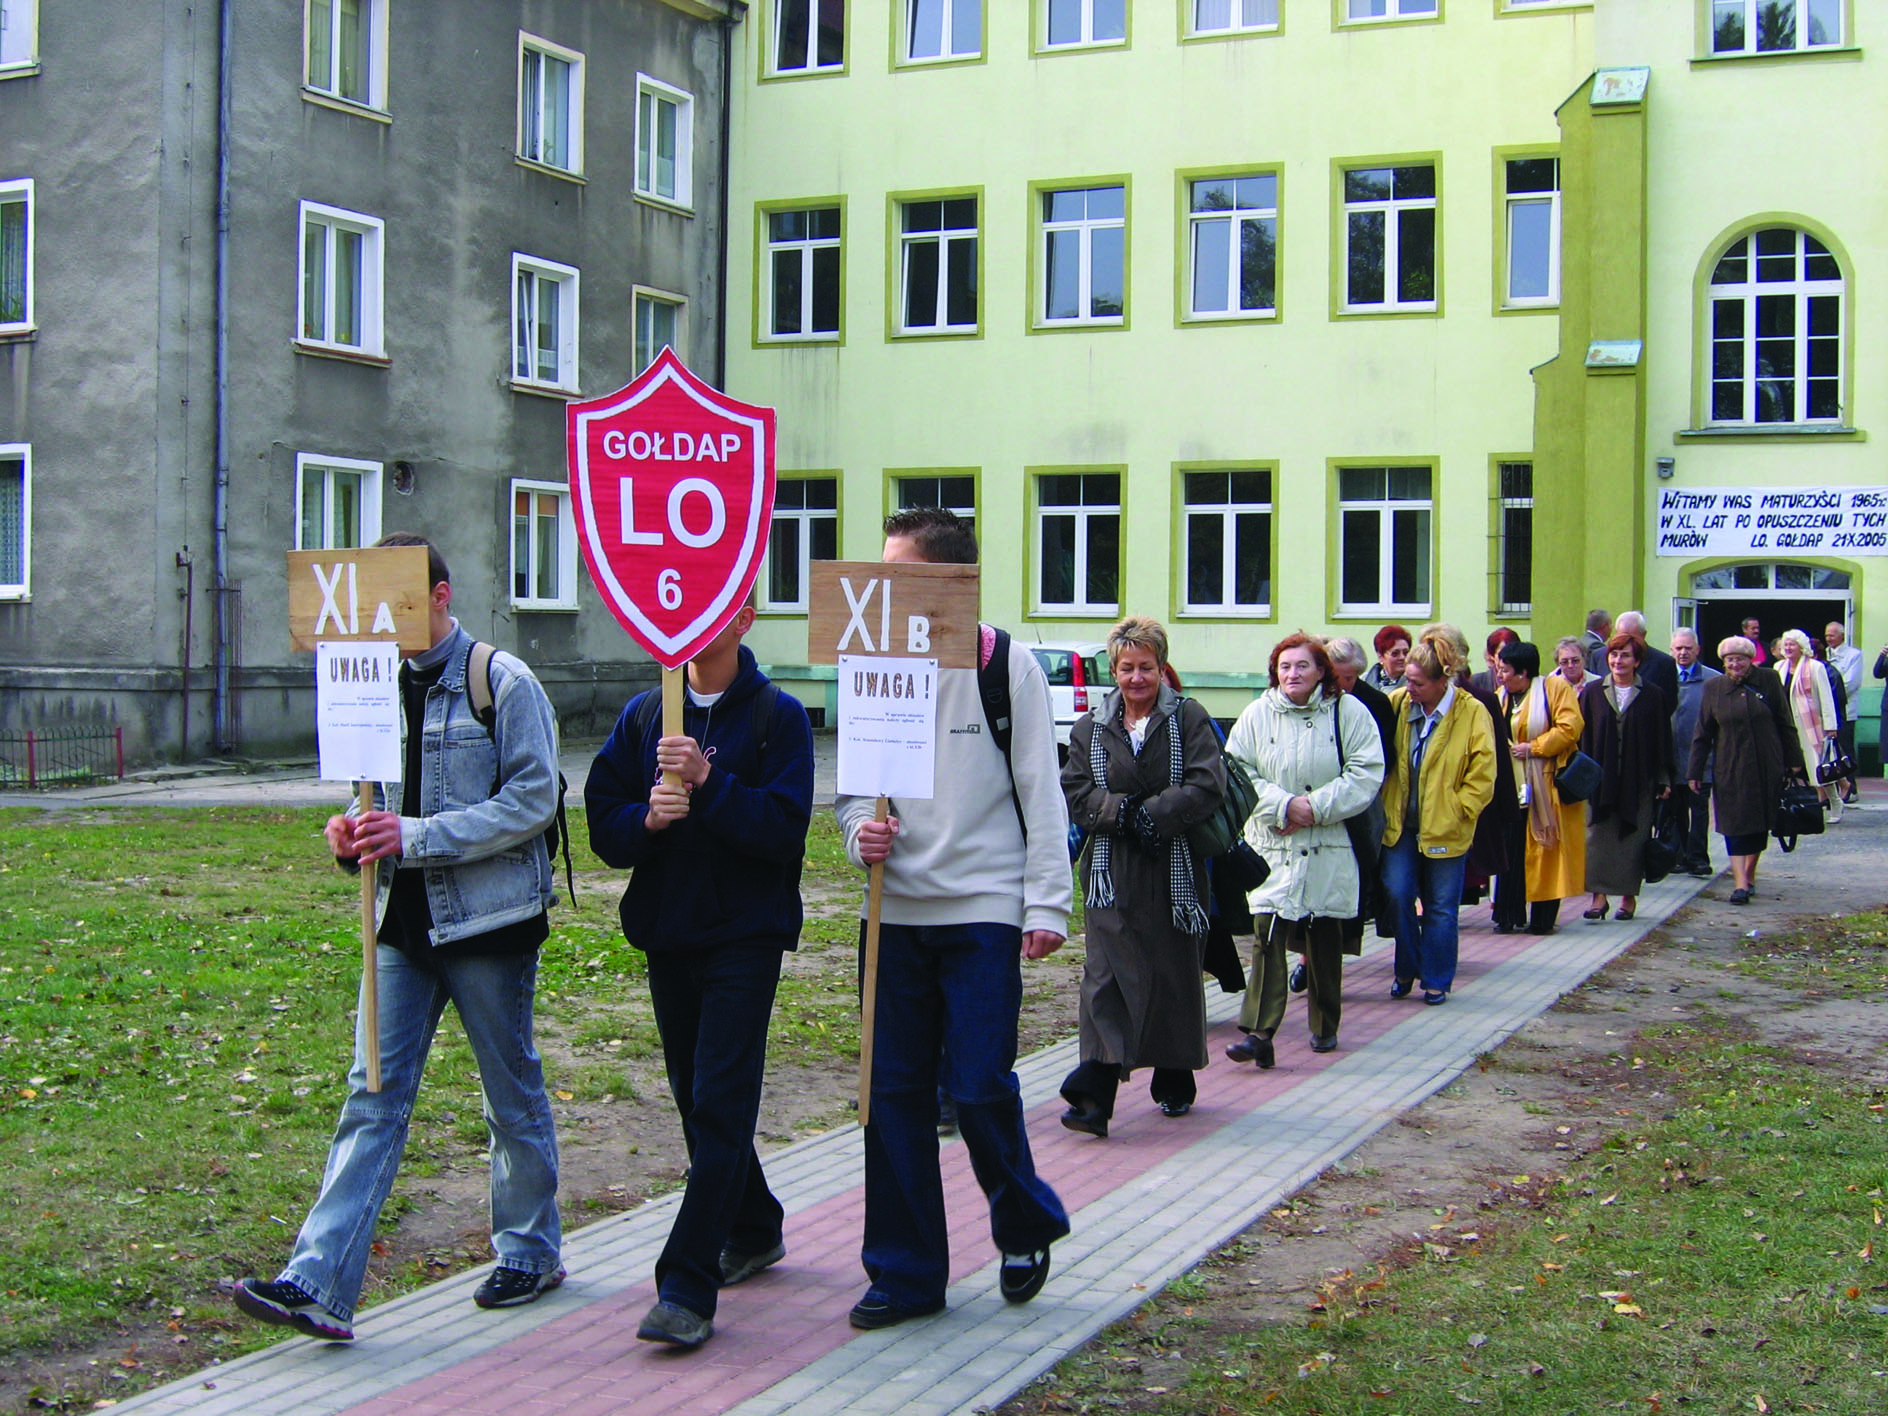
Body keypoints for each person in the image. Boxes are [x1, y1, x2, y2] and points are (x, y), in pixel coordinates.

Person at [234, 535, 563, 1343]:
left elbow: (533, 801)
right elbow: (372, 800)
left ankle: (530, 1249)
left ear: (441, 597)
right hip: (398, 924)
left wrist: (414, 835)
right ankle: (316, 1282)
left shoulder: (502, 681)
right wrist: (353, 837)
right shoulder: (367, 685)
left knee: (509, 1092)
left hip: (489, 924)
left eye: (403, 599)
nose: (386, 617)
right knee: (370, 1095)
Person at [835, 507, 1071, 1329]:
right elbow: (853, 789)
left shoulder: (1006, 665)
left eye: (899, 572)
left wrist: (1047, 903)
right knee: (891, 1097)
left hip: (982, 910)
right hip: (892, 911)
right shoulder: (870, 655)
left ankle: (1023, 1220)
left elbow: (1044, 792)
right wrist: (858, 828)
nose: (882, 586)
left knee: (976, 1087)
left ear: (948, 581)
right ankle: (905, 1274)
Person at [584, 600, 815, 1349]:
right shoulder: (647, 713)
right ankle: (753, 1223)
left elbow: (782, 833)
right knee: (694, 1099)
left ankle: (686, 1286)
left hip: (745, 940)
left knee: (720, 1102)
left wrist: (710, 782)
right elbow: (604, 822)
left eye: (716, 604)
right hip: (670, 935)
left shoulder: (778, 718)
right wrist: (645, 821)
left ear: (743, 616)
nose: (692, 620)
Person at [1058, 617, 1225, 1136]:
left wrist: (1155, 815)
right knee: (1105, 978)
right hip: (1111, 872)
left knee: (1172, 971)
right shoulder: (1090, 726)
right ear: (1114, 669)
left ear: (1162, 667)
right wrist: (1122, 813)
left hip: (1175, 866)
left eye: (1146, 667)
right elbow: (1076, 789)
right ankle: (1094, 1093)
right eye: (1127, 668)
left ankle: (1173, 1076)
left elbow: (1206, 783)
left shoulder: (1188, 719)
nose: (1136, 678)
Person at [1223, 634, 1384, 1065]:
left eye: (1302, 666)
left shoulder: (1349, 712)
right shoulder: (1257, 714)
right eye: (1284, 666)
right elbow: (1236, 770)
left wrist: (1312, 808)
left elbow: (1366, 773)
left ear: (1321, 672)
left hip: (1328, 843)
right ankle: (1260, 1032)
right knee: (1267, 934)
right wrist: (1283, 805)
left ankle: (1325, 1023)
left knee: (1323, 938)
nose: (1292, 674)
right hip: (1274, 843)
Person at [1379, 628, 1496, 1005]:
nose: (1408, 687)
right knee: (1396, 896)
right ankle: (1406, 967)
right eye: (1406, 680)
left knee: (1441, 908)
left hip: (1447, 827)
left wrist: (1462, 809)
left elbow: (1484, 772)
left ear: (1441, 681)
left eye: (1416, 683)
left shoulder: (1471, 711)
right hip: (1399, 827)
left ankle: (1437, 979)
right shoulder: (1397, 704)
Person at [1689, 636, 1804, 904]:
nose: (1735, 664)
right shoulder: (1714, 687)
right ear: (1723, 663)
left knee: (1760, 824)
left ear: (1750, 660)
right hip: (1729, 767)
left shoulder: (1768, 680)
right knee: (1733, 825)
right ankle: (1740, 884)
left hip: (1767, 763)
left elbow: (1785, 722)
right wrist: (1694, 771)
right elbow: (1702, 733)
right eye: (1730, 660)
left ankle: (1749, 872)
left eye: (1740, 659)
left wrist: (1793, 759)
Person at [1427, 623, 1521, 931]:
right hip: (1422, 809)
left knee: (1448, 886)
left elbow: (1496, 760)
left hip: (1462, 806)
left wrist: (1503, 808)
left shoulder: (1480, 700)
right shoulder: (1408, 698)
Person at [1578, 634, 1674, 923]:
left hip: (1638, 780)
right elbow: (1582, 738)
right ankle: (1598, 898)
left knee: (1633, 837)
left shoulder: (1653, 695)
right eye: (1614, 654)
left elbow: (1662, 740)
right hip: (1600, 781)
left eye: (1626, 655)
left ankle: (1628, 898)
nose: (1618, 661)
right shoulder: (1593, 692)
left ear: (1638, 661)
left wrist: (1664, 778)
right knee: (1597, 838)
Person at [1497, 640, 1585, 936]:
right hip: (1512, 787)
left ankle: (1542, 918)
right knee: (1511, 848)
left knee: (1545, 851)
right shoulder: (1502, 697)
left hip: (1545, 785)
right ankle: (1508, 914)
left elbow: (1569, 728)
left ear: (1523, 672)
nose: (1501, 676)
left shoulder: (1556, 689)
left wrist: (1534, 747)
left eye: (1505, 670)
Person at [1668, 628, 1721, 878]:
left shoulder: (1713, 680)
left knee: (1699, 811)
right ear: (1671, 651)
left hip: (1702, 761)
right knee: (1676, 811)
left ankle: (1699, 857)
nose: (1683, 652)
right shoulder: (1665, 678)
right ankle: (1679, 857)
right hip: (1673, 760)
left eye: (1688, 648)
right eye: (1678, 648)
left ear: (1697, 650)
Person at [1777, 628, 1841, 824]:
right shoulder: (1779, 666)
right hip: (1786, 725)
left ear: (1801, 647)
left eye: (1792, 644)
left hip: (1811, 725)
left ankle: (1834, 802)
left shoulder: (1815, 667)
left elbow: (1826, 697)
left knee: (1819, 768)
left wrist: (1831, 725)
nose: (1788, 648)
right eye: (1785, 644)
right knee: (1788, 768)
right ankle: (1789, 808)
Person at [1614, 611, 1679, 726]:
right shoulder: (1600, 657)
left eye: (1632, 637)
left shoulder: (1664, 663)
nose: (1628, 641)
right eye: (1623, 636)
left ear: (1644, 635)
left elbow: (1669, 704)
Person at [1823, 622, 1863, 803]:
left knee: (1846, 750)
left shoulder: (1854, 655)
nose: (1829, 638)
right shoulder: (1825, 654)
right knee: (1831, 752)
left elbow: (1850, 684)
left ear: (1841, 635)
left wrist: (1827, 694)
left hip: (1844, 710)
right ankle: (1836, 788)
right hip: (1827, 711)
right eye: (1826, 635)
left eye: (1832, 635)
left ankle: (1851, 788)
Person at [1471, 628, 1519, 696]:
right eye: (1501, 653)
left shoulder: (1522, 682)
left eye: (1512, 653)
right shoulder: (1476, 681)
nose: (1507, 658)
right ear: (1491, 655)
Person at [1364, 624, 1411, 692]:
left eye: (1406, 652)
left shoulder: (1415, 682)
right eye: (1395, 653)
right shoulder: (1365, 680)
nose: (1402, 657)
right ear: (1381, 656)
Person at [1580, 609, 1612, 675]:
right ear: (1604, 626)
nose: (1612, 628)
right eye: (1610, 624)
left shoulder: (1581, 640)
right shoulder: (1596, 646)